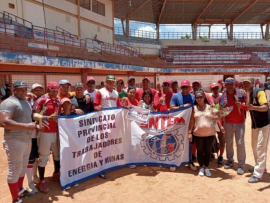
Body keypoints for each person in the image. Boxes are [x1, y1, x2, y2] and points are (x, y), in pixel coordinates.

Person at [0, 80, 38, 203]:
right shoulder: (8, 103)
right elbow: (4, 122)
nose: (23, 91)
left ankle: (20, 189)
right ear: (14, 89)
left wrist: (34, 126)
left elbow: (25, 118)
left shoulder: (25, 101)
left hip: (26, 139)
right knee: (15, 168)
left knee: (22, 167)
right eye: (20, 89)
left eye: (25, 89)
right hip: (14, 140)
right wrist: (27, 126)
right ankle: (15, 199)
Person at [33, 82, 60, 193]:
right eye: (52, 89)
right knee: (44, 156)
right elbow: (34, 115)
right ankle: (42, 180)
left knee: (57, 154)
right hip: (45, 132)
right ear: (48, 89)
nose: (54, 90)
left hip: (57, 132)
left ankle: (56, 173)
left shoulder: (58, 101)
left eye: (56, 89)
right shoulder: (42, 100)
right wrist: (46, 118)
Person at [242, 78, 270, 183]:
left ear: (252, 83)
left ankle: (258, 174)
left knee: (260, 148)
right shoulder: (249, 94)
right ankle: (260, 166)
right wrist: (243, 107)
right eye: (244, 83)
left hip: (263, 124)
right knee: (254, 146)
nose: (245, 85)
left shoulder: (260, 92)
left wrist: (253, 108)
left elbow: (265, 107)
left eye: (247, 83)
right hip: (255, 125)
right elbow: (250, 108)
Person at [94, 75, 121, 178]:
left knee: (113, 142)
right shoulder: (100, 92)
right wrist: (98, 107)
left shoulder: (116, 93)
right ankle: (102, 167)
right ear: (105, 82)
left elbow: (119, 107)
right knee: (103, 144)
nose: (110, 83)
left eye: (112, 82)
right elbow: (95, 105)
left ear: (114, 83)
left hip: (113, 122)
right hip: (103, 121)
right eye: (108, 81)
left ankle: (110, 163)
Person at [220, 77, 247, 175]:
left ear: (234, 84)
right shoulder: (223, 96)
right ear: (225, 85)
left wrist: (242, 106)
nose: (230, 86)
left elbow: (247, 107)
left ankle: (241, 165)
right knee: (229, 142)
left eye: (231, 84)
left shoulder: (241, 94)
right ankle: (230, 160)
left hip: (240, 122)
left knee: (240, 143)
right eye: (228, 84)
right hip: (227, 122)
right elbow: (219, 110)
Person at [189, 90, 218, 177]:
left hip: (210, 133)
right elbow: (192, 121)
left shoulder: (211, 107)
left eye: (201, 97)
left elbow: (215, 119)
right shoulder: (193, 108)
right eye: (197, 97)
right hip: (198, 133)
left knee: (208, 151)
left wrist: (217, 120)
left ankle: (206, 167)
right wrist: (190, 132)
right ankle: (201, 167)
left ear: (204, 97)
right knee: (200, 151)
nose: (199, 99)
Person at [170, 79, 196, 172]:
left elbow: (193, 111)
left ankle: (189, 161)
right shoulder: (176, 96)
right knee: (176, 142)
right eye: (183, 87)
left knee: (189, 143)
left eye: (187, 87)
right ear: (181, 88)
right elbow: (171, 107)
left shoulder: (193, 97)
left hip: (189, 122)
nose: (185, 89)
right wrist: (183, 106)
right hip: (178, 123)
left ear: (189, 88)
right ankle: (174, 161)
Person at [26, 83, 45, 195]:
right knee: (30, 158)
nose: (38, 92)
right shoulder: (27, 100)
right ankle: (29, 182)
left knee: (37, 156)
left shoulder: (43, 100)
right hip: (30, 133)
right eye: (35, 90)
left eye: (40, 90)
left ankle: (35, 176)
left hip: (40, 133)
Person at [210, 82, 226, 165]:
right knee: (211, 138)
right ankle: (212, 153)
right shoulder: (209, 98)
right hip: (212, 121)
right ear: (211, 90)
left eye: (217, 88)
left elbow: (223, 110)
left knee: (222, 139)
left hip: (221, 121)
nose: (215, 90)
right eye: (214, 89)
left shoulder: (222, 97)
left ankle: (220, 156)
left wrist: (220, 123)